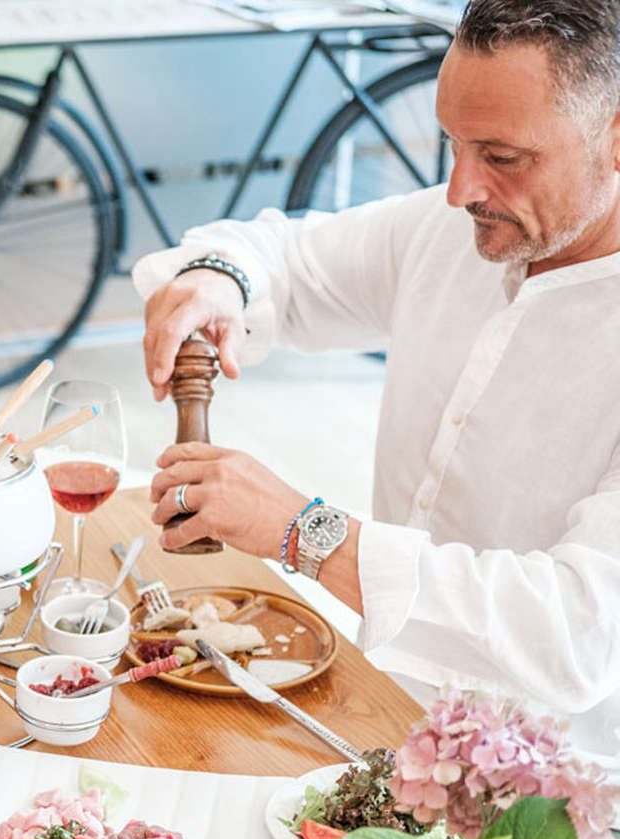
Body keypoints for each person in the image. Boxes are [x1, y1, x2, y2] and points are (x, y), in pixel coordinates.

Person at [132, 0, 620, 766]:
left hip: (556, 803)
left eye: (502, 155)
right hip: (380, 719)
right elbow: (281, 259)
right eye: (451, 144)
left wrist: (306, 531)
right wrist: (217, 280)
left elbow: (577, 630)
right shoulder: (453, 229)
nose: (460, 188)